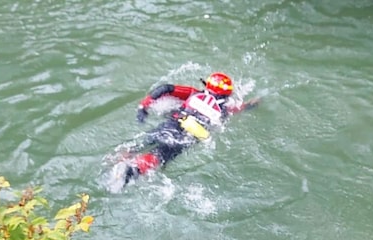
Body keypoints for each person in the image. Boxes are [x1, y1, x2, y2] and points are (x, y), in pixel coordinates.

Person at [106, 72, 259, 192]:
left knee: (145, 141)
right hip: (186, 136)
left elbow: (165, 89)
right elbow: (239, 108)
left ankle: (116, 161)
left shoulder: (194, 93)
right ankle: (132, 171)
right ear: (226, 96)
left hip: (172, 123)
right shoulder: (225, 110)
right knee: (160, 155)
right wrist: (251, 105)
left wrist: (143, 107)